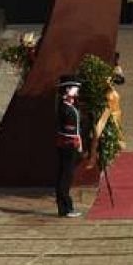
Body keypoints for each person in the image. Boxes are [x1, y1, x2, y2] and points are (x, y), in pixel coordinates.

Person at [55, 75, 83, 218]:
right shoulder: (65, 108)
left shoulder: (69, 104)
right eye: (74, 88)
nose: (77, 90)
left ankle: (64, 207)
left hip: (71, 145)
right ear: (67, 89)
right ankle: (66, 207)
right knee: (65, 176)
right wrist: (77, 145)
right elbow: (70, 131)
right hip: (68, 147)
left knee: (66, 175)